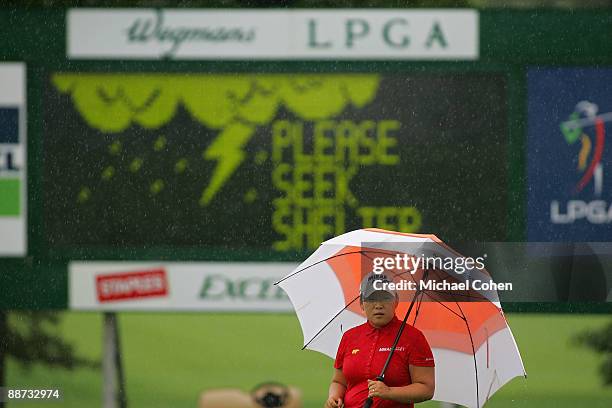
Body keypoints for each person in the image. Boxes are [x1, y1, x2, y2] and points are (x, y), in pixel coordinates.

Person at [325, 273, 435, 408]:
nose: (378, 305)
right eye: (372, 299)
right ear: (361, 303)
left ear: (396, 301)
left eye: (385, 297)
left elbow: (426, 388)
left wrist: (389, 392)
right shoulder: (349, 337)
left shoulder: (413, 337)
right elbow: (339, 382)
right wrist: (334, 397)